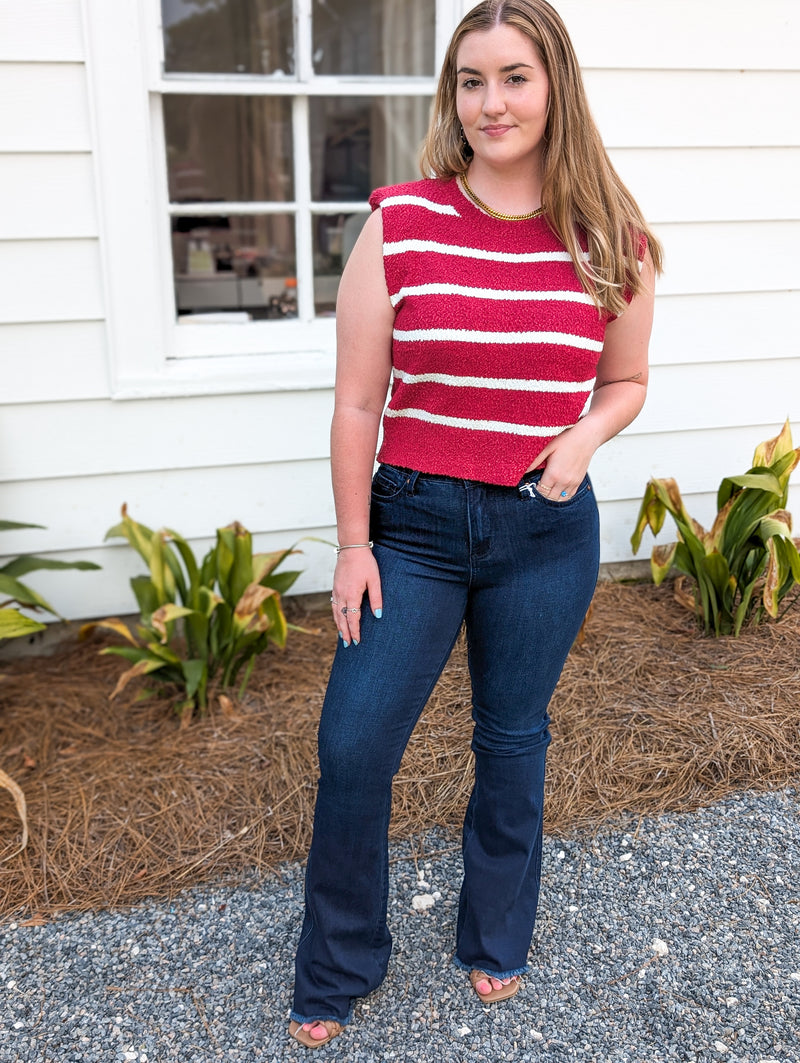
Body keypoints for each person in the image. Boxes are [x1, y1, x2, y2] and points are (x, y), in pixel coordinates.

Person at [289, 0, 662, 1048]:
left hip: (543, 531)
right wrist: (353, 544)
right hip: (408, 527)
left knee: (511, 739)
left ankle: (494, 935)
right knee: (354, 743)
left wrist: (583, 440)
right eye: (469, 79)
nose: (489, 101)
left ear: (555, 89)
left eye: (513, 76)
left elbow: (625, 379)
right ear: (451, 95)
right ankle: (340, 958)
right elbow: (357, 402)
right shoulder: (398, 221)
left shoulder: (611, 237)